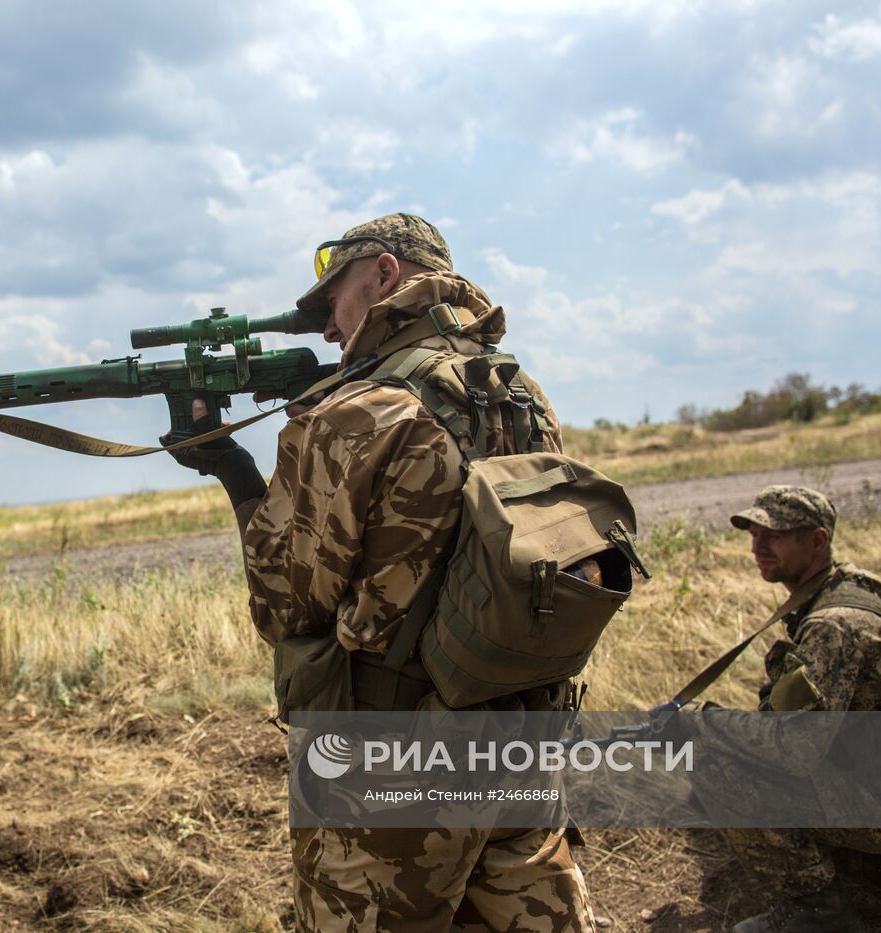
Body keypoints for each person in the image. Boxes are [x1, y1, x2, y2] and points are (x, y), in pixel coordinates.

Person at [163, 213, 595, 932]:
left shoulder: (359, 412)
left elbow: (281, 603)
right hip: (523, 738)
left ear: (385, 274)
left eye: (332, 301)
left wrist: (233, 469)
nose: (329, 328)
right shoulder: (519, 392)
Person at [714, 485, 881, 933]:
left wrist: (705, 722)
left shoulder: (831, 626)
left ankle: (820, 912)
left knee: (721, 768)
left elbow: (793, 752)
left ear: (817, 541)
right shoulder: (852, 585)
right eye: (754, 535)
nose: (757, 548)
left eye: (773, 536)